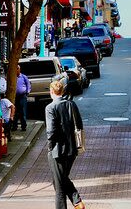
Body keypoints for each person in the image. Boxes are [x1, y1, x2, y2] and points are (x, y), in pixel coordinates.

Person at [45, 80, 85, 209]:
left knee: (59, 186)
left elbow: (50, 131)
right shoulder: (71, 104)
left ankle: (76, 201)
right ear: (62, 91)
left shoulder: (51, 107)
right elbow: (79, 125)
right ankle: (77, 202)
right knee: (62, 179)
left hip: (57, 151)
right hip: (72, 149)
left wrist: (50, 147)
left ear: (51, 92)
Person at [12, 65, 31, 132]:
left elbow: (28, 84)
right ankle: (14, 126)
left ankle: (23, 126)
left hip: (22, 96)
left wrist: (27, 92)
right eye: (15, 69)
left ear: (19, 69)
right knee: (15, 111)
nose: (16, 70)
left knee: (22, 111)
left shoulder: (23, 77)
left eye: (17, 68)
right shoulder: (13, 77)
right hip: (15, 96)